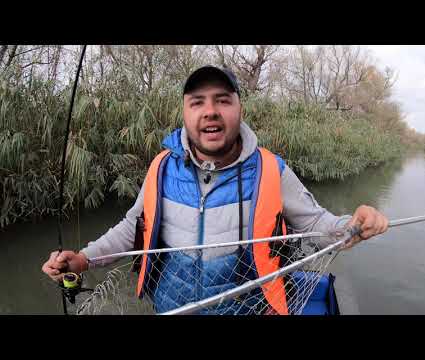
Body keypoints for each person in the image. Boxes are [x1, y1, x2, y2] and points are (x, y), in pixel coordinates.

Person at [42, 65, 389, 314]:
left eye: (223, 100)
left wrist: (353, 224)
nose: (210, 112)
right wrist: (84, 259)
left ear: (239, 108)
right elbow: (133, 228)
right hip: (170, 309)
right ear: (185, 112)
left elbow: (318, 227)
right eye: (198, 102)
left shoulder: (272, 170)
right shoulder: (161, 167)